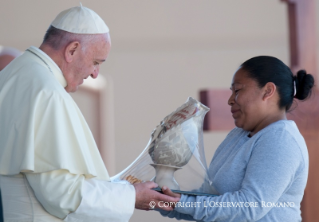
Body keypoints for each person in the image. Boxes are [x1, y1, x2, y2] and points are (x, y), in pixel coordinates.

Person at [0, 5, 178, 222]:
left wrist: (122, 188)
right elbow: (61, 196)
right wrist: (131, 197)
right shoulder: (47, 93)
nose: (95, 74)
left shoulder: (13, 75)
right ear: (72, 50)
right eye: (96, 62)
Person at [159, 56, 314, 221]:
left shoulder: (281, 140)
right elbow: (212, 202)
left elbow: (248, 207)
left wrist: (182, 203)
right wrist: (159, 199)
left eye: (238, 90)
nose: (230, 100)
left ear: (268, 91)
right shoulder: (238, 134)